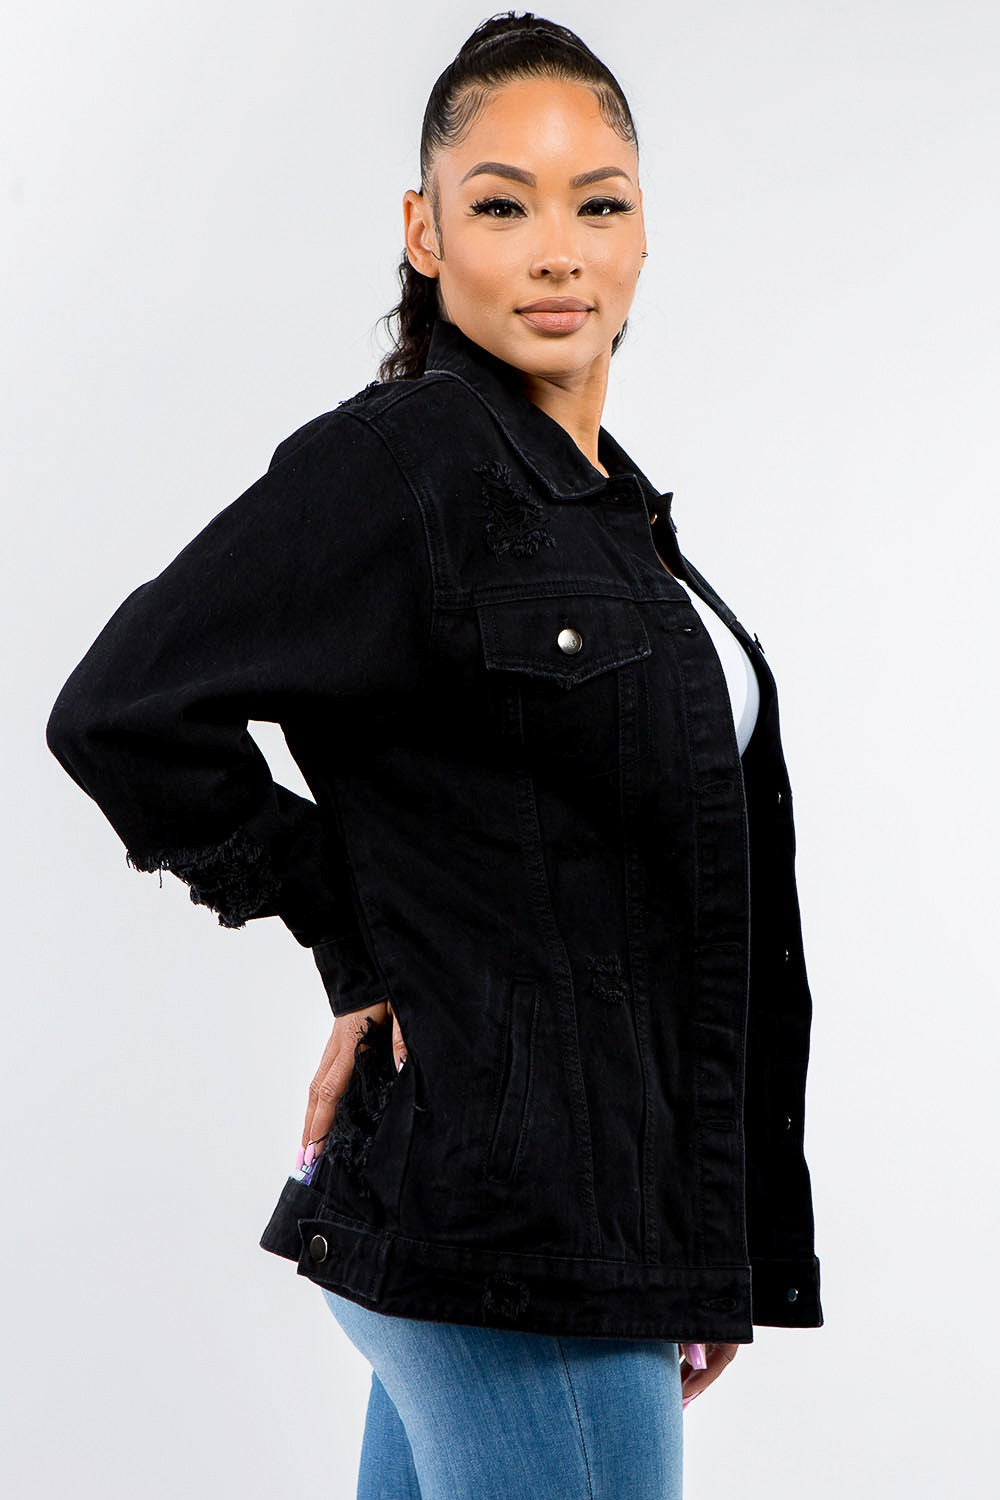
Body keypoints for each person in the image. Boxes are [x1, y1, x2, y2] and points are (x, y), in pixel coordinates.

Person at [44, 12, 824, 1499]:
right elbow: (120, 708)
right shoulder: (404, 465)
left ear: (647, 233)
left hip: (573, 1233)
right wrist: (362, 941)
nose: (557, 250)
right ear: (425, 230)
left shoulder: (615, 523)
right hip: (506, 1235)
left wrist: (697, 1242)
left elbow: (636, 906)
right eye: (500, 203)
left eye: (599, 202)